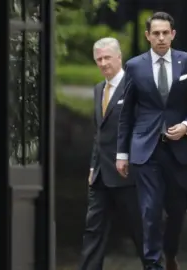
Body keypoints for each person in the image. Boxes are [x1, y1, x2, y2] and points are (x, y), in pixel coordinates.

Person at [116, 12, 187, 270]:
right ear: (148, 36)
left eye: (165, 33)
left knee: (177, 208)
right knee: (150, 208)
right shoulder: (135, 66)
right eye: (155, 33)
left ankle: (170, 253)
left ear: (173, 34)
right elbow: (126, 112)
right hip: (145, 148)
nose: (160, 38)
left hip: (178, 148)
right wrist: (122, 154)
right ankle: (152, 264)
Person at [79, 37, 144, 270]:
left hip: (128, 175)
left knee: (140, 231)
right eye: (99, 59)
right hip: (100, 175)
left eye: (108, 57)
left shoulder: (135, 87)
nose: (104, 63)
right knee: (93, 230)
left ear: (119, 57)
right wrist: (91, 166)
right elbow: (100, 133)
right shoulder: (99, 90)